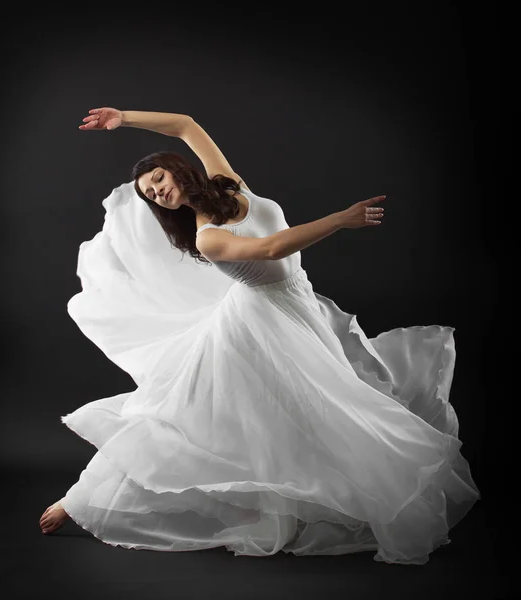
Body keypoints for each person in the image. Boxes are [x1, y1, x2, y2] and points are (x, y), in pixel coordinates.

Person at [39, 108, 480, 565]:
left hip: (297, 306)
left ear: (174, 168)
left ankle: (304, 501)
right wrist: (339, 220)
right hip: (253, 326)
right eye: (150, 194)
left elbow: (186, 125)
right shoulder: (207, 237)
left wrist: (124, 117)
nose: (158, 192)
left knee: (301, 415)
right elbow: (272, 247)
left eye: (156, 178)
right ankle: (79, 501)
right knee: (175, 419)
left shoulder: (229, 184)